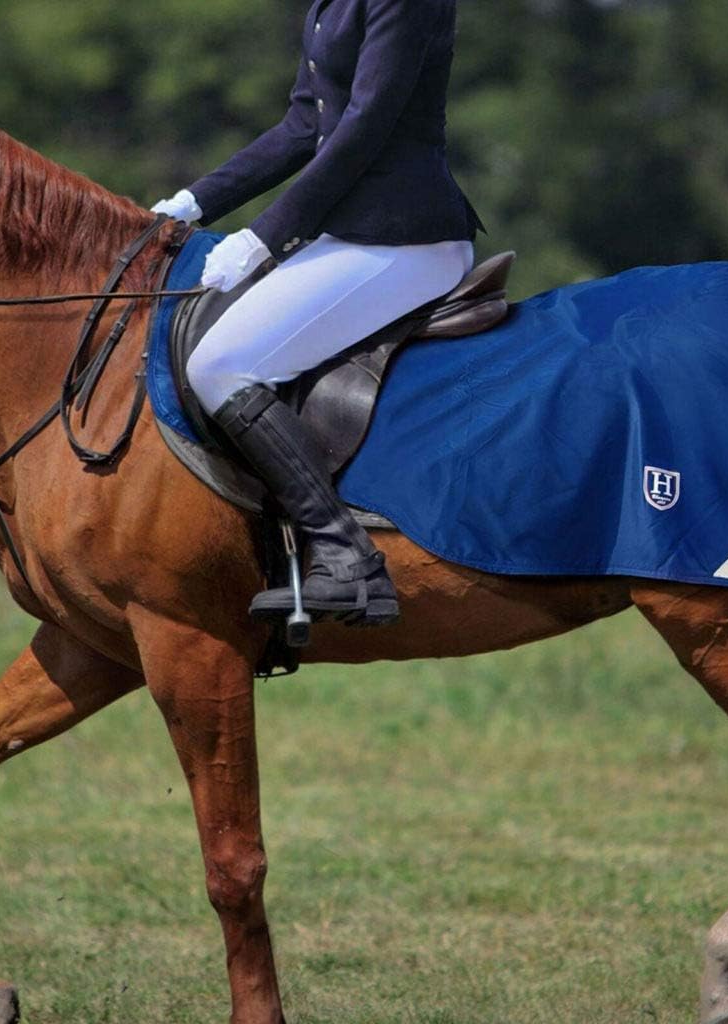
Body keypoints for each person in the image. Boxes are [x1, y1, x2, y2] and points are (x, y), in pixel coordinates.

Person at [152, 0, 483, 626]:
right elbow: (305, 124)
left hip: (404, 239)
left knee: (222, 366)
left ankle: (346, 557)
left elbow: (366, 124)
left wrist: (264, 235)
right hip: (350, 235)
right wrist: (193, 203)